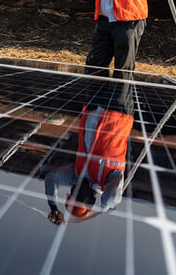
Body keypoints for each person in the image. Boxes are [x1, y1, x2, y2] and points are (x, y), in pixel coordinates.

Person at [44, 81, 135, 224]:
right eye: (79, 197)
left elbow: (51, 178)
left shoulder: (76, 174)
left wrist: (53, 206)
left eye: (72, 194)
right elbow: (112, 197)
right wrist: (106, 207)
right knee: (123, 69)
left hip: (93, 110)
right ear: (91, 200)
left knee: (96, 67)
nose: (76, 191)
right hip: (118, 115)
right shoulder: (107, 182)